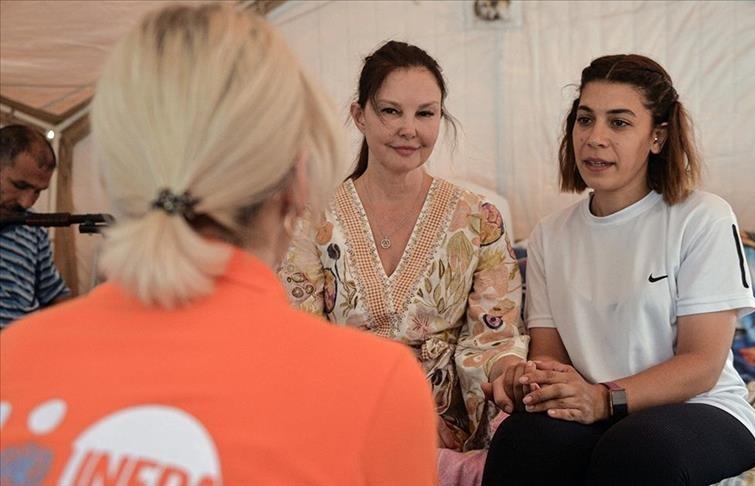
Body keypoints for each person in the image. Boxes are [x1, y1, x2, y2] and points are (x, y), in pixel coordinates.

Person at [0, 5, 437, 485]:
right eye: (391, 111)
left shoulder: (12, 358)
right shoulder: (373, 387)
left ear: (112, 175)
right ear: (296, 181)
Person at [482, 54, 755, 485]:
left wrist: (603, 398)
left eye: (619, 122)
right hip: (595, 411)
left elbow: (702, 362)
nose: (594, 138)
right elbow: (550, 355)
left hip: (700, 410)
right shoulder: (549, 235)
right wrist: (531, 381)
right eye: (585, 119)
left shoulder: (700, 217)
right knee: (521, 440)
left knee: (636, 450)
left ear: (657, 137)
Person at [280, 40, 529, 453]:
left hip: (446, 425)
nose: (409, 129)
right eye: (391, 111)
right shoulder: (312, 220)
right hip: (343, 414)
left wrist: (509, 372)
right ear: (360, 116)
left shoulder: (477, 220)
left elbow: (492, 338)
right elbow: (301, 342)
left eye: (425, 114)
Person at [0, 124, 71, 328]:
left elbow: (54, 295)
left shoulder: (34, 226)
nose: (27, 202)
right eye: (20, 185)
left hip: (25, 350)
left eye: (38, 191)